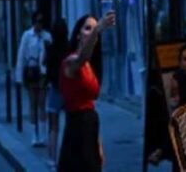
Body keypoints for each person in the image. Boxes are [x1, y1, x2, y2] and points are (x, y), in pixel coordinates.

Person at [58, 11, 115, 172]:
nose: (92, 31)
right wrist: (98, 30)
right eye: (88, 28)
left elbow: (91, 107)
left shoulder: (90, 64)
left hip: (89, 126)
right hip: (77, 128)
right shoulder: (70, 61)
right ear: (78, 34)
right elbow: (81, 58)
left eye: (94, 28)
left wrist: (98, 144)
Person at [17, 12, 53, 146]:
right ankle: (34, 135)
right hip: (31, 71)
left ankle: (43, 135)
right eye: (37, 22)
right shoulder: (27, 36)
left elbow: (50, 55)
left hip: (42, 73)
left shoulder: (47, 36)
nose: (39, 24)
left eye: (41, 22)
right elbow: (21, 55)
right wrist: (19, 76)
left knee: (42, 103)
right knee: (33, 103)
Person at [43, 18, 69, 167]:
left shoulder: (50, 48)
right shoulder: (69, 48)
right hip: (68, 89)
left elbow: (44, 64)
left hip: (54, 89)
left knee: (53, 127)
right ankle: (69, 157)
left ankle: (52, 159)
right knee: (70, 124)